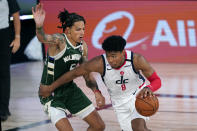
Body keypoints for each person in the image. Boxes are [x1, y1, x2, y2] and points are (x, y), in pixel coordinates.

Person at [39, 35, 162, 131]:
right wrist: (51, 87)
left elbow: (157, 80)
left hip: (138, 96)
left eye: (114, 56)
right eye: (108, 56)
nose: (110, 60)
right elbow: (74, 73)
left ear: (122, 52)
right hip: (119, 102)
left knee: (138, 128)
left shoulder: (137, 59)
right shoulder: (99, 63)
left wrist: (150, 88)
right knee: (139, 129)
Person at [32, 3, 105, 131]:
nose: (82, 32)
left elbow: (86, 74)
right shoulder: (59, 41)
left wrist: (97, 91)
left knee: (99, 126)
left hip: (70, 90)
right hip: (50, 93)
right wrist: (39, 26)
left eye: (83, 29)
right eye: (78, 29)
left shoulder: (83, 47)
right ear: (68, 31)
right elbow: (42, 38)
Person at [0, 0, 21, 122]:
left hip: (3, 34)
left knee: (3, 73)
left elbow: (16, 15)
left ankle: (3, 109)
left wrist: (17, 37)